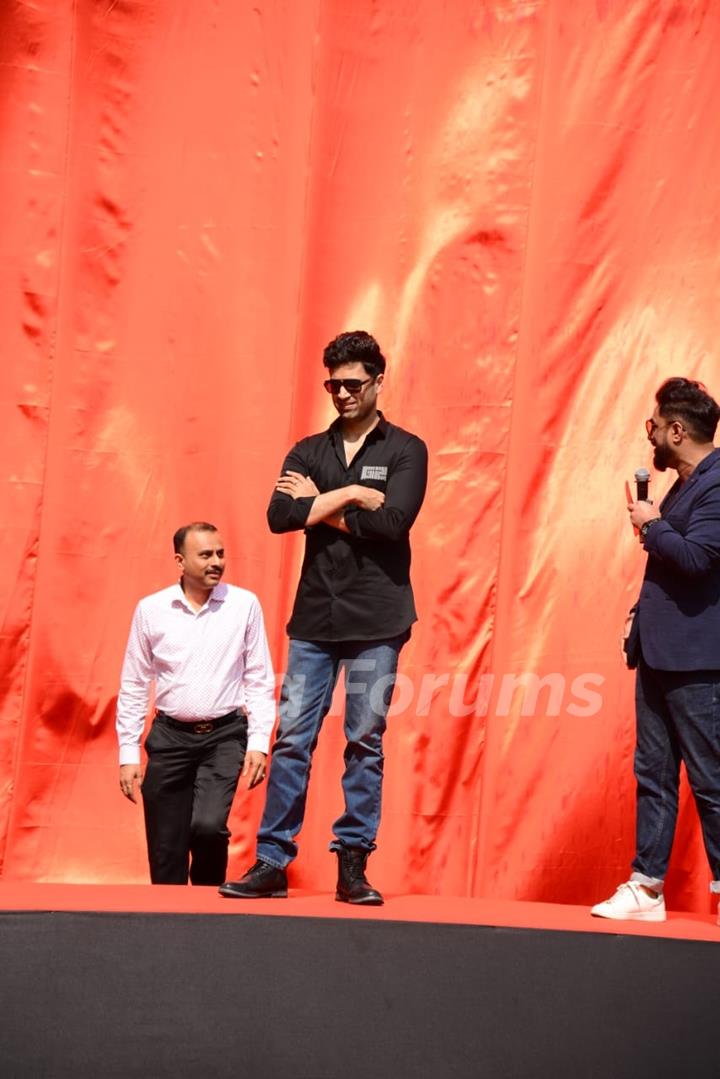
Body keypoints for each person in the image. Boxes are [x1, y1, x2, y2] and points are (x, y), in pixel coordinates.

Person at [220, 331, 428, 904]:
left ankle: (352, 865)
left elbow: (392, 526)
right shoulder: (308, 449)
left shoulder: (407, 449)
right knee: (293, 741)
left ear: (378, 381)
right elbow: (280, 516)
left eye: (352, 383)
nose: (341, 393)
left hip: (378, 619)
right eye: (332, 384)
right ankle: (271, 861)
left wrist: (321, 502)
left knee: (364, 739)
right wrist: (352, 494)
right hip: (315, 617)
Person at [592, 377, 720, 921]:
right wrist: (641, 618)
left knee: (712, 778)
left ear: (676, 429)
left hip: (699, 662)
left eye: (653, 428)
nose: (649, 440)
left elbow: (698, 559)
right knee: (654, 774)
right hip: (660, 654)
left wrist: (655, 524)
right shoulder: (684, 484)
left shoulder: (717, 483)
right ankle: (646, 887)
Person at [116, 522, 275, 885]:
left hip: (224, 736)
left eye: (220, 553)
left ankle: (207, 914)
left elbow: (259, 679)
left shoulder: (243, 605)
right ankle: (166, 926)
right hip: (170, 739)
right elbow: (135, 684)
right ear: (180, 560)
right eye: (205, 554)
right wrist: (128, 754)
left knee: (207, 828)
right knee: (166, 846)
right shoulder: (151, 610)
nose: (216, 561)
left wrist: (259, 743)